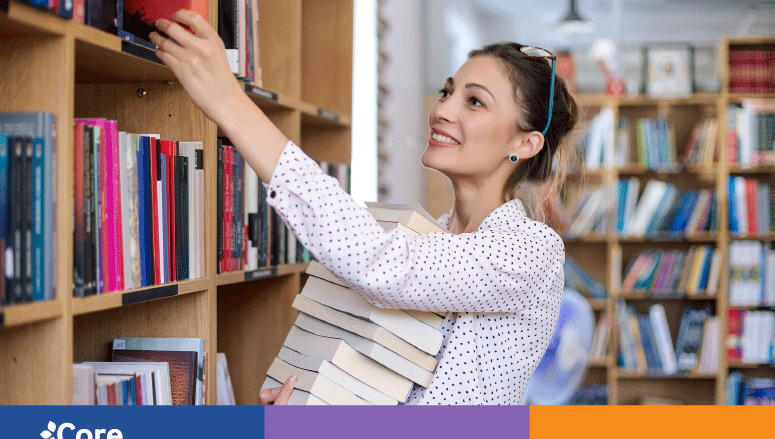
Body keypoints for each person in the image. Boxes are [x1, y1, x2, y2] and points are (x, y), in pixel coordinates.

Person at [149, 10, 577, 405]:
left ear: (525, 143)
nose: (442, 109)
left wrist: (231, 105)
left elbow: (382, 263)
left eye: (475, 101)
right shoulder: (430, 237)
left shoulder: (531, 250)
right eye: (447, 91)